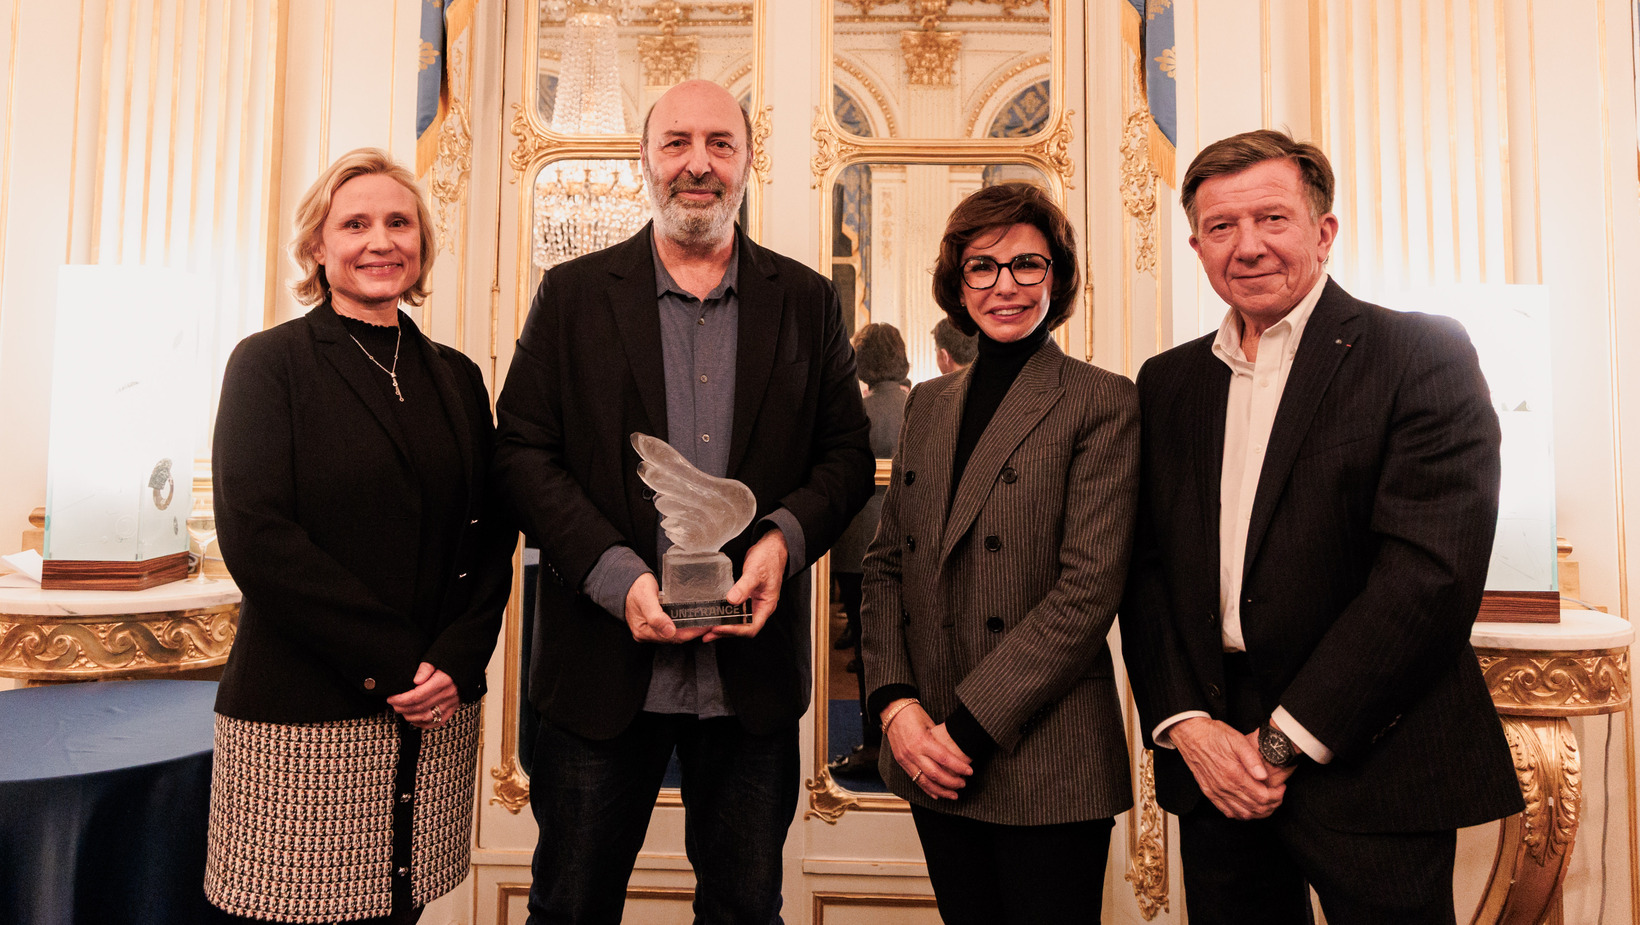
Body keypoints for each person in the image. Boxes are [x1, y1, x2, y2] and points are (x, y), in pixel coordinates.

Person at [494, 79, 874, 925]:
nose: (696, 164)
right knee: (571, 907)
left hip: (751, 687)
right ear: (644, 160)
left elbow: (846, 455)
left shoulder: (807, 301)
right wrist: (613, 571)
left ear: (747, 162)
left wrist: (779, 540)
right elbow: (520, 451)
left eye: (719, 144)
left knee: (744, 910)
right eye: (676, 144)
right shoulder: (572, 294)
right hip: (600, 675)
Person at [1120, 129, 1522, 924]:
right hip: (1214, 765)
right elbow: (1146, 568)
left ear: (1323, 231)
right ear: (1197, 245)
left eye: (1272, 217)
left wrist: (1278, 743)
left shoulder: (1419, 352)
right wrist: (1190, 727)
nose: (1248, 246)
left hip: (1373, 752)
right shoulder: (1167, 383)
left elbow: (1428, 574)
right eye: (1221, 226)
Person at [206, 148, 514, 925]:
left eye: (398, 222)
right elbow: (259, 538)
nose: (381, 241)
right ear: (318, 245)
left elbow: (491, 534)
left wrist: (455, 659)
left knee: (396, 912)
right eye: (355, 223)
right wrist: (397, 664)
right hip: (305, 715)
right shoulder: (267, 364)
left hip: (433, 713)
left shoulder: (457, 374)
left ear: (421, 243)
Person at [860, 182, 1138, 925]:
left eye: (1027, 265)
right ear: (958, 283)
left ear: (1059, 276)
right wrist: (894, 707)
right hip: (929, 755)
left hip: (1044, 758)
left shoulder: (1101, 400)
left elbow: (1087, 591)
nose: (1004, 286)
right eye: (982, 267)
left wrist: (964, 730)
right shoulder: (928, 402)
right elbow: (888, 564)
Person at [827, 322, 910, 778]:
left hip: (857, 548)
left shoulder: (859, 412)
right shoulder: (920, 406)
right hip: (909, 547)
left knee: (868, 647)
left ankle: (874, 743)